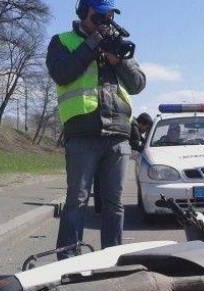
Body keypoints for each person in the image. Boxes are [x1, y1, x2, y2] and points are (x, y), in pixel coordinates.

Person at [46, 0, 146, 257]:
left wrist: (118, 61)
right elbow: (62, 73)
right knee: (77, 201)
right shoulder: (62, 41)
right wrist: (92, 44)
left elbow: (137, 84)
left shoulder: (117, 44)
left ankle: (112, 259)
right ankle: (67, 261)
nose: (105, 22)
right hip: (82, 134)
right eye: (98, 17)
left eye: (109, 16)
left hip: (118, 135)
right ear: (82, 14)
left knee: (114, 204)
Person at [95, 112, 153, 214]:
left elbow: (139, 138)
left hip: (100, 149)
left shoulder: (132, 122)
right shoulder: (134, 126)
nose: (145, 131)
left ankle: (99, 208)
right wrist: (147, 148)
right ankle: (103, 208)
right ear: (142, 123)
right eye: (146, 128)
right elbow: (136, 143)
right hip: (110, 152)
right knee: (107, 182)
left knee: (99, 180)